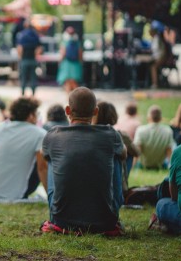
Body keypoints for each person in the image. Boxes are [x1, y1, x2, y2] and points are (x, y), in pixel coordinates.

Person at [42, 87, 126, 234]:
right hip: (105, 221)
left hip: (62, 220)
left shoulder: (53, 135)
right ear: (95, 111)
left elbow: (43, 154)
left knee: (51, 156)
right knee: (117, 155)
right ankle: (111, 205)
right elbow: (125, 154)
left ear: (68, 111)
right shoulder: (110, 134)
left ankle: (59, 205)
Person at [0, 97, 47, 200]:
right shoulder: (40, 134)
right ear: (30, 115)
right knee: (41, 158)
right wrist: (50, 195)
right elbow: (42, 168)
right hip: (16, 193)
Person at [94, 101, 140, 193]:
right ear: (114, 115)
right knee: (129, 152)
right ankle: (122, 185)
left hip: (95, 183)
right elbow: (137, 152)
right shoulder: (119, 135)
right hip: (114, 190)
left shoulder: (88, 135)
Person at [150, 144, 181, 234]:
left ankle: (167, 225)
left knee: (161, 204)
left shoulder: (178, 151)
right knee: (166, 181)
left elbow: (174, 197)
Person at [16, 22, 42, 96]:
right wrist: (35, 55)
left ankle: (23, 94)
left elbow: (19, 48)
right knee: (33, 78)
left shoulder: (22, 35)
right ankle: (33, 94)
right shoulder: (35, 35)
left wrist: (20, 57)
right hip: (33, 59)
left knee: (23, 77)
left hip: (24, 59)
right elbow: (39, 48)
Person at [56, 26, 83, 93]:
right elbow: (80, 54)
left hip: (67, 64)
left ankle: (70, 98)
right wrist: (80, 63)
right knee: (74, 82)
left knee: (67, 82)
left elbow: (63, 53)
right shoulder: (77, 42)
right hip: (76, 64)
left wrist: (60, 62)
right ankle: (76, 97)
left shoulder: (64, 42)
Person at [149, 23, 169, 89]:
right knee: (150, 65)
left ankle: (155, 84)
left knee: (153, 67)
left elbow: (163, 52)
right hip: (157, 57)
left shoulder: (158, 39)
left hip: (161, 58)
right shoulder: (154, 39)